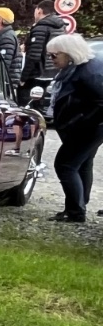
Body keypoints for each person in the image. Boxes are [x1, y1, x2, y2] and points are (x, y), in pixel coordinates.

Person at [46, 33, 103, 222]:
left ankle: (76, 211)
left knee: (65, 165)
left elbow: (100, 103)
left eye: (54, 55)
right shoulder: (80, 68)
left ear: (69, 53)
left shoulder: (88, 72)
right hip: (88, 127)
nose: (51, 59)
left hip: (88, 128)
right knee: (82, 164)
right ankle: (78, 206)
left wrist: (80, 123)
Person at [20, 0, 69, 107]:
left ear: (39, 11)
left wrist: (23, 78)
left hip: (38, 75)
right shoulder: (61, 27)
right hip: (56, 72)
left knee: (28, 105)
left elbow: (34, 56)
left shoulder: (41, 27)